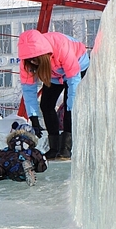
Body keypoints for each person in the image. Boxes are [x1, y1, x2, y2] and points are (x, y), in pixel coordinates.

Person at [18, 29, 89, 160]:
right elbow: (28, 91)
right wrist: (34, 118)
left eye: (35, 59)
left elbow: (74, 80)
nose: (33, 63)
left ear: (43, 54)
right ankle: (54, 148)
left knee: (69, 105)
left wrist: (72, 105)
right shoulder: (26, 63)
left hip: (78, 66)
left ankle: (66, 148)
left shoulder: (61, 46)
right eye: (30, 60)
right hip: (54, 74)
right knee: (46, 105)